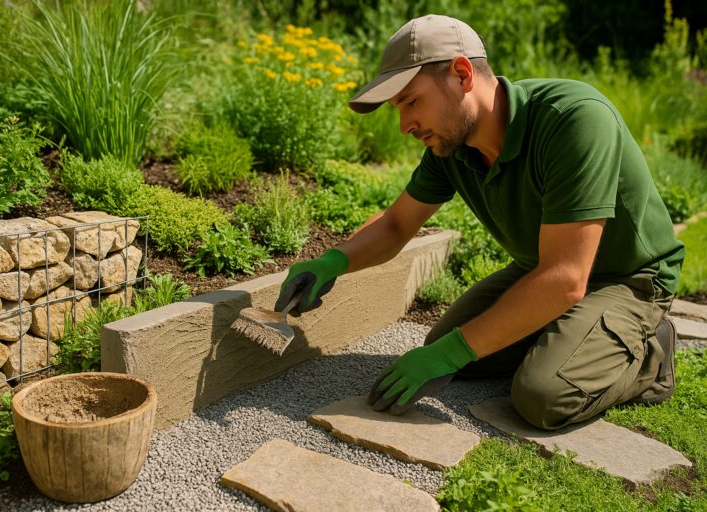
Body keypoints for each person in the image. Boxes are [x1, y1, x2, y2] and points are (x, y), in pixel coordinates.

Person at [273, 14, 685, 430]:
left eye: (412, 101)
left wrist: (452, 353)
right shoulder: (450, 149)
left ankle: (652, 356)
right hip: (542, 268)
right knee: (447, 348)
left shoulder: (573, 119)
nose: (404, 126)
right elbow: (397, 225)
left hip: (628, 279)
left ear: (462, 74)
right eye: (399, 109)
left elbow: (565, 278)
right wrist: (332, 263)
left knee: (542, 396)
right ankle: (571, 337)